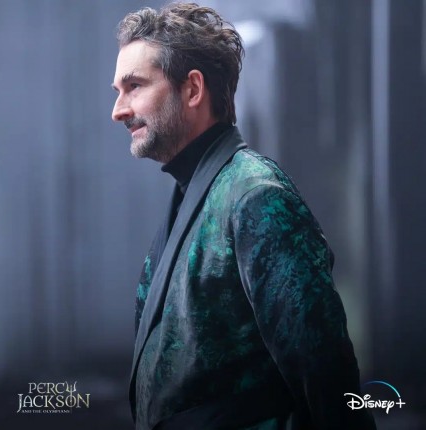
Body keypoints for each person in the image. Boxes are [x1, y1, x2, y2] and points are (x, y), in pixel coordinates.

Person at [111, 3, 376, 429]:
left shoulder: (255, 196)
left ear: (192, 89)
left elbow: (329, 379)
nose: (118, 110)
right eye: (118, 91)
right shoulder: (195, 192)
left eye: (134, 86)